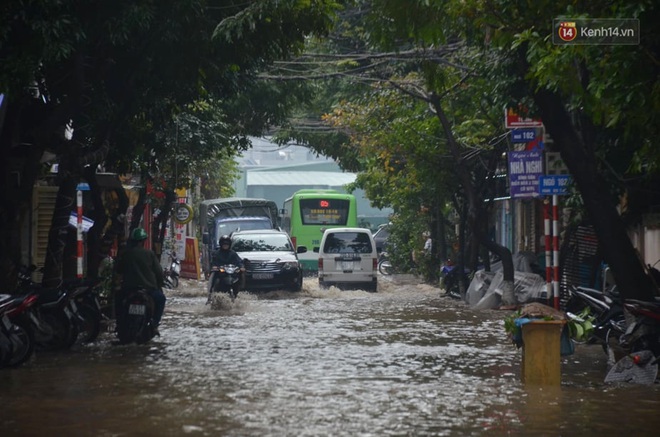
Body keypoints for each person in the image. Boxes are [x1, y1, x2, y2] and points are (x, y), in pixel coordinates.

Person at [116, 227, 167, 331]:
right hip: (148, 289)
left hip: (128, 289)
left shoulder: (126, 254)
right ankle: (154, 323)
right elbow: (159, 272)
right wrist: (160, 284)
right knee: (161, 299)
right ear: (144, 241)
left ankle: (119, 324)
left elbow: (119, 270)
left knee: (118, 300)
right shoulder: (150, 254)